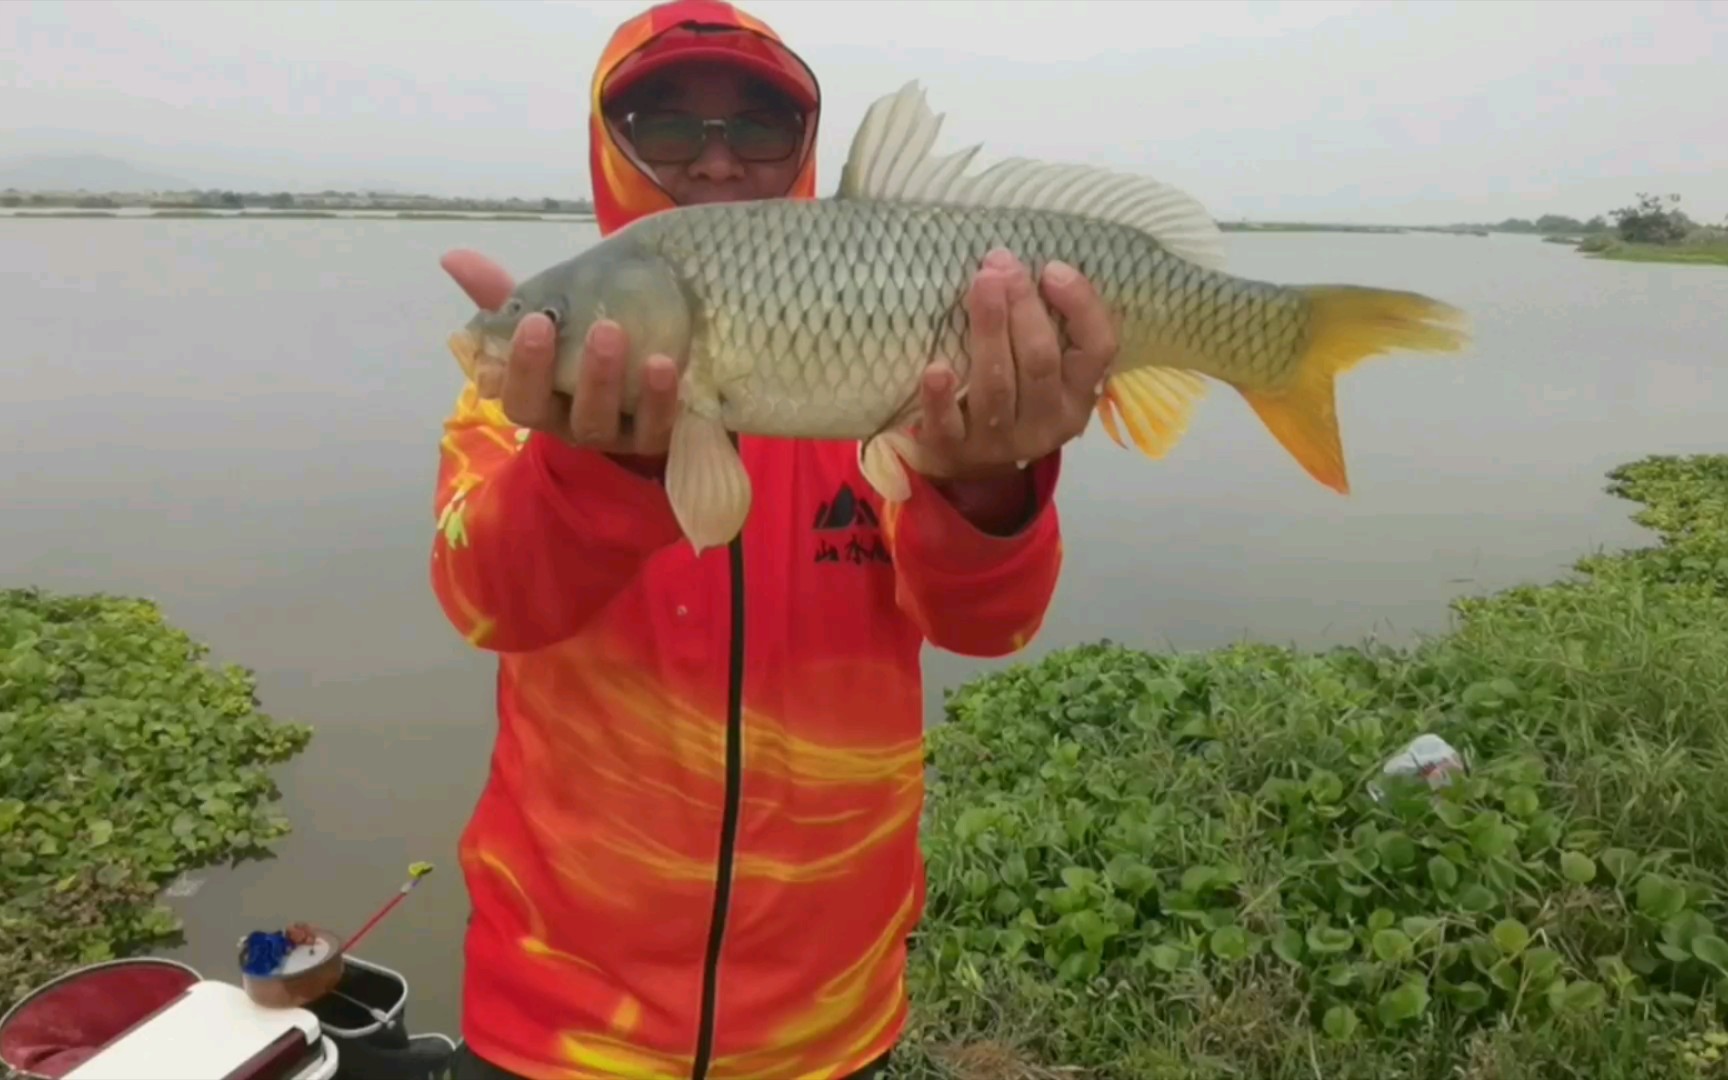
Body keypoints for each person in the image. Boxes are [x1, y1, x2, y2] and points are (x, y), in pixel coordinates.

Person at [430, 1, 1120, 1077]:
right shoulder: (521, 397)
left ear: (805, 147)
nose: (715, 162)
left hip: (828, 1026)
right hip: (557, 1021)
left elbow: (990, 625)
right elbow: (488, 598)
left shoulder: (882, 375)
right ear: (607, 147)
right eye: (665, 125)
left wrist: (990, 481)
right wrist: (600, 465)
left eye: (758, 127)